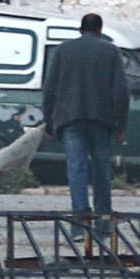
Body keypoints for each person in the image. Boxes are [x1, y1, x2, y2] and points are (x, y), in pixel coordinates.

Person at [42, 12, 124, 227]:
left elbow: (49, 88)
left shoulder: (63, 51)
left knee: (76, 169)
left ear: (80, 30)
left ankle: (80, 223)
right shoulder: (111, 52)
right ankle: (104, 220)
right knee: (102, 170)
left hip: (71, 119)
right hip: (102, 119)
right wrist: (120, 124)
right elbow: (121, 91)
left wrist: (49, 121)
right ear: (100, 30)